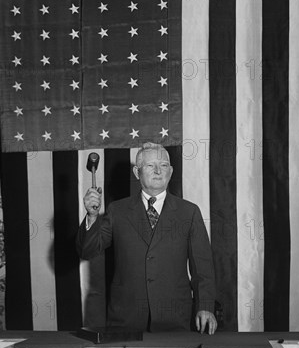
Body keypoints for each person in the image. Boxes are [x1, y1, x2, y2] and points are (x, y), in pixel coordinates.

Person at [76, 142, 217, 334]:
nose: (158, 170)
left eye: (164, 165)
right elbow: (88, 250)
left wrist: (206, 305)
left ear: (171, 171)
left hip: (174, 318)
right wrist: (92, 217)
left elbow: (203, 267)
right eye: (151, 165)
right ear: (137, 172)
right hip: (126, 318)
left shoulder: (189, 212)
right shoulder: (117, 210)